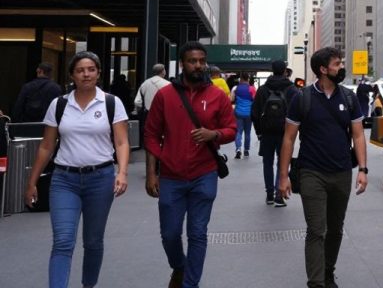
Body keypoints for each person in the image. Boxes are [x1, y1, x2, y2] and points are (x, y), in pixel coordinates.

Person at [24, 51, 130, 288]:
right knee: (62, 241)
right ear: (72, 74)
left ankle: (88, 285)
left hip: (100, 179)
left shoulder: (111, 103)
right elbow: (46, 146)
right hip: (64, 180)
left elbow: (121, 142)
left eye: (91, 69)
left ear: (98, 73)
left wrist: (121, 173)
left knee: (93, 241)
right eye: (80, 70)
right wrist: (31, 181)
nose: (86, 74)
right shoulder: (59, 104)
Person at [144, 41, 236, 288]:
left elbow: (231, 129)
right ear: (182, 64)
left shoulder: (218, 96)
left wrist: (213, 135)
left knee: (197, 233)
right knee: (170, 234)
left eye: (201, 61)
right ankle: (179, 267)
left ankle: (190, 284)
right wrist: (151, 174)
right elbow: (151, 134)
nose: (198, 66)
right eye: (192, 61)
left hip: (204, 174)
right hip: (171, 176)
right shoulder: (165, 95)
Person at [278, 47, 368, 288]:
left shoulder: (349, 98)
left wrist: (363, 169)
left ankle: (328, 272)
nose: (341, 67)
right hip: (311, 173)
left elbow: (358, 136)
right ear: (323, 69)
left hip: (341, 173)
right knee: (317, 230)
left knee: (335, 229)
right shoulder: (302, 98)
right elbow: (288, 138)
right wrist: (283, 175)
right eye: (337, 64)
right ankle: (316, 282)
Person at [253, 60, 301, 206]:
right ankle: (279, 195)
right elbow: (299, 112)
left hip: (267, 132)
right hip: (285, 132)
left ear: (272, 70)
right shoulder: (292, 89)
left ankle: (269, 195)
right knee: (283, 162)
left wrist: (259, 132)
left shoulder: (262, 89)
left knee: (267, 162)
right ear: (285, 70)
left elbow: (255, 113)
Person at [231, 73, 255, 159]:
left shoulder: (235, 88)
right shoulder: (252, 88)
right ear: (248, 79)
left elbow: (232, 99)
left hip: (238, 113)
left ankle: (238, 149)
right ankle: (246, 150)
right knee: (247, 133)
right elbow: (254, 100)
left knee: (238, 131)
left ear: (241, 79)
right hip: (249, 114)